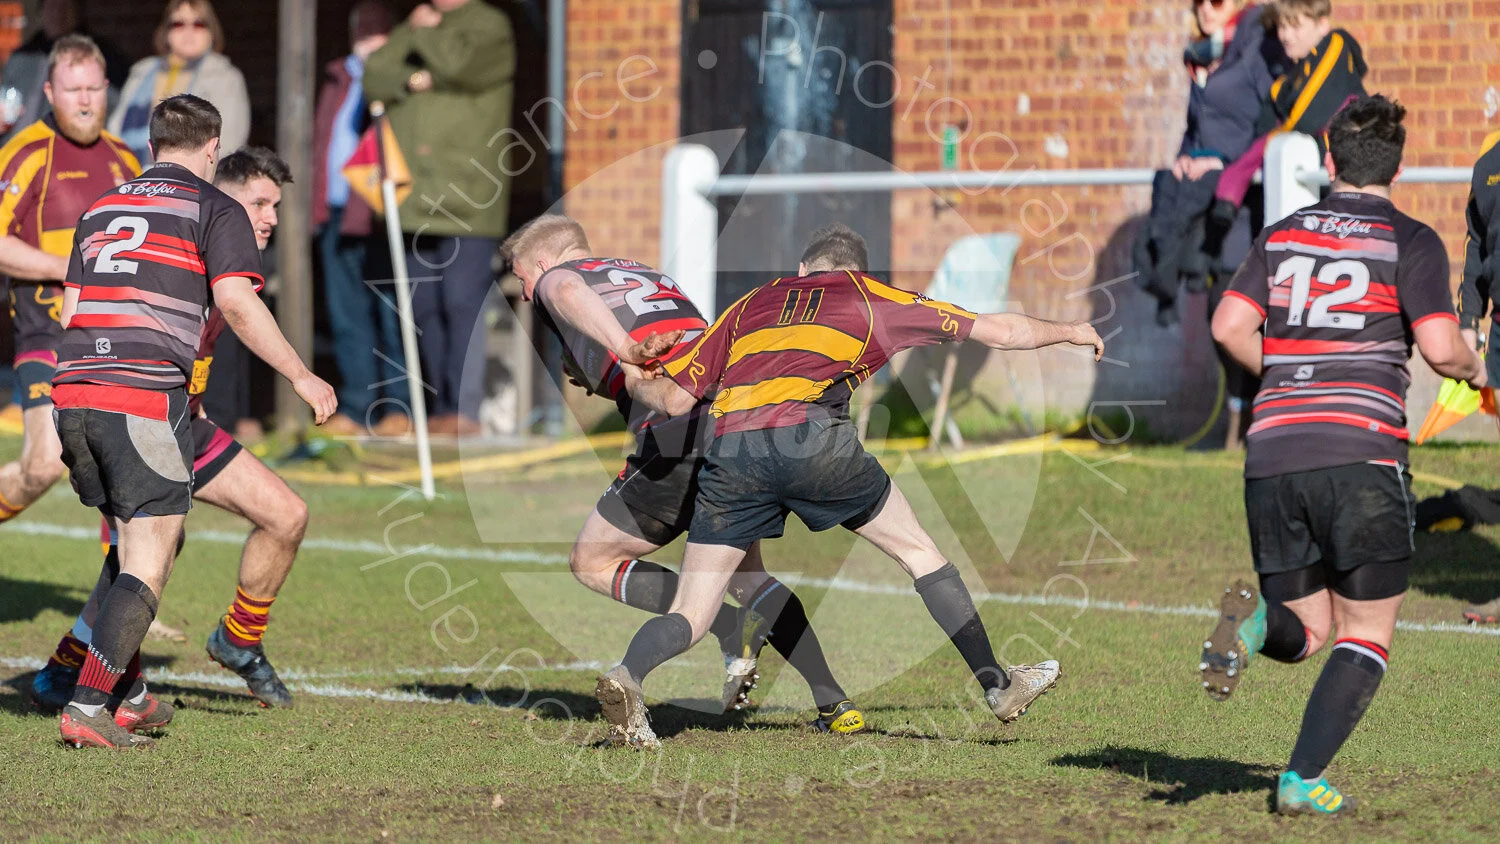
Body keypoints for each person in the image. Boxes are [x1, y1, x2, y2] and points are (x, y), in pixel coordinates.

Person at [592, 223, 1104, 749]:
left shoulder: (750, 303)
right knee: (918, 550)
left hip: (733, 450)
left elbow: (675, 400)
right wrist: (1070, 330)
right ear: (858, 272)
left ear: (800, 271)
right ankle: (998, 686)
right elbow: (999, 330)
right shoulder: (874, 297)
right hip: (813, 442)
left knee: (691, 613)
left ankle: (628, 676)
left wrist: (628, 378)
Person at [1200, 95, 1486, 814]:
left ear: (1329, 161)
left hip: (1272, 451)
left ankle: (1261, 623)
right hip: (1360, 453)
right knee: (1366, 634)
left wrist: (1289, 373)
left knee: (1309, 633)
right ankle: (1299, 780)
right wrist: (1480, 371)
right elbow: (1440, 347)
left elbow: (1228, 325)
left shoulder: (1283, 232)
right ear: (1400, 163)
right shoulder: (1410, 239)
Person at [501, 215, 867, 728]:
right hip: (743, 422)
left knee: (592, 560)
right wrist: (604, 371)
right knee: (748, 575)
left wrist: (623, 352)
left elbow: (563, 288)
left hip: (680, 433)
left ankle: (722, 626)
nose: (523, 294)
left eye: (521, 278)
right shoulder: (650, 277)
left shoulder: (563, 279)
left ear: (542, 261)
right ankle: (835, 702)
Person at [51, 94, 335, 750]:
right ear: (214, 154)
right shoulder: (212, 214)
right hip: (144, 406)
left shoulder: (103, 207)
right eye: (259, 204)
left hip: (93, 398)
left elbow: (73, 311)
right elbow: (237, 306)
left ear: (150, 144)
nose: (267, 217)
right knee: (148, 551)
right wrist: (300, 375)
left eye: (274, 207)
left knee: (281, 514)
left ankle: (205, 656)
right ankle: (89, 696)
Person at [0, 35, 139, 529]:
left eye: (93, 88)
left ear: (107, 90)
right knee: (42, 466)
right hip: (47, 336)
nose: (84, 100)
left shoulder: (126, 160)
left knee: (124, 473)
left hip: (113, 341)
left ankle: (127, 605)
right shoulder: (26, 151)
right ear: (50, 92)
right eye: (72, 88)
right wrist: (68, 268)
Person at [1134, 0, 1285, 447]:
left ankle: (1257, 417)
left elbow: (1271, 119)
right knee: (1217, 305)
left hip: (1244, 198)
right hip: (1209, 200)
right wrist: (1186, 156)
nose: (1204, 9)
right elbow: (1196, 126)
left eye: (1214, 1)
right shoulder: (1204, 56)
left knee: (1238, 305)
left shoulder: (1256, 43)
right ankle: (1234, 422)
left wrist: (1227, 162)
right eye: (1197, 2)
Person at [363, 0, 516, 437]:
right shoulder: (415, 22)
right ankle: (438, 410)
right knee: (422, 306)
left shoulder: (489, 24)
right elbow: (375, 77)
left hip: (468, 195)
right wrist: (416, 71)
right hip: (411, 197)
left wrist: (424, 35)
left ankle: (463, 410)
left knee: (462, 303)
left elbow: (460, 65)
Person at [312, 0, 408, 438]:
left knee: (391, 312)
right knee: (347, 314)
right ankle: (355, 406)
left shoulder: (396, 73)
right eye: (360, 33)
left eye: (376, 33)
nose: (366, 42)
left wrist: (381, 65)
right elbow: (323, 141)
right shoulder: (338, 75)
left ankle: (398, 407)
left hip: (377, 209)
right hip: (334, 211)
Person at [1211, 0, 1368, 219]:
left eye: (1295, 26)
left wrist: (1280, 130)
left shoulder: (1336, 46)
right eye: (1282, 27)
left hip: (1349, 187)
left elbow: (1308, 117)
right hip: (1321, 187)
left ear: (1322, 25)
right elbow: (1265, 124)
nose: (1286, 36)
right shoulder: (1288, 80)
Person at [109, 0, 250, 166]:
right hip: (135, 178)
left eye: (198, 24)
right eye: (178, 24)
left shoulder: (224, 77)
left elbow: (228, 142)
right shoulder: (142, 73)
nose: (188, 32)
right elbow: (115, 131)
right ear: (166, 31)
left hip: (195, 182)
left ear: (212, 31)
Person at [0, 0, 129, 144]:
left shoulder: (99, 57)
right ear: (41, 11)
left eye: (65, 5)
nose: (58, 12)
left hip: (64, 149)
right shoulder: (22, 57)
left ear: (77, 11)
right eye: (52, 5)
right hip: (13, 149)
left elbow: (113, 108)